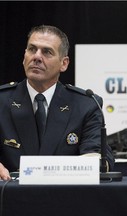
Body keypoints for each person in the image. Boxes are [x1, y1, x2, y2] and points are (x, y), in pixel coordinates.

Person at [0, 25, 114, 180]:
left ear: (64, 63)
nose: (37, 57)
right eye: (32, 49)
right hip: (10, 197)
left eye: (47, 52)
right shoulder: (2, 100)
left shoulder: (86, 105)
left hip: (64, 197)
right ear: (24, 56)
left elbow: (98, 157)